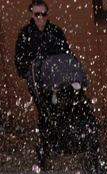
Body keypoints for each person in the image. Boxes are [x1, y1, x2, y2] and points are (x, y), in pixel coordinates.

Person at [14, 2, 72, 141]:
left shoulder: (55, 32)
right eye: (37, 14)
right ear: (31, 15)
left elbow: (66, 52)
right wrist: (31, 67)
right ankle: (46, 141)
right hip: (38, 80)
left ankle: (64, 136)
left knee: (63, 105)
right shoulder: (26, 34)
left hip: (57, 78)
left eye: (44, 13)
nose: (41, 17)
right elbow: (19, 59)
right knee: (44, 109)